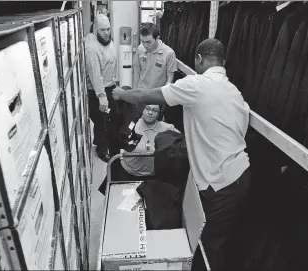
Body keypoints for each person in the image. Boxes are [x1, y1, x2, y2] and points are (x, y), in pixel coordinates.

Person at [112, 39, 252, 271]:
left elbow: (150, 96)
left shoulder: (196, 84)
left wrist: (121, 94)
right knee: (218, 242)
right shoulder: (235, 93)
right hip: (239, 177)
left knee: (207, 248)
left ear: (199, 59)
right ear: (223, 62)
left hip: (221, 183)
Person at [98, 104, 180, 195]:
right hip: (128, 172)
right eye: (147, 109)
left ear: (159, 113)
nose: (150, 112)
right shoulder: (131, 125)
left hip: (152, 176)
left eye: (154, 110)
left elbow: (180, 145)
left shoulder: (167, 128)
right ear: (142, 109)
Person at [85, 14, 119, 162]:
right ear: (95, 30)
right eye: (103, 30)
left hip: (110, 86)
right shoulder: (92, 49)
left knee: (111, 119)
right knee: (102, 122)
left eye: (108, 29)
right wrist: (102, 96)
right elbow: (95, 74)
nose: (106, 33)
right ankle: (101, 150)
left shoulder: (107, 41)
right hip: (98, 92)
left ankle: (106, 144)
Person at [133, 22, 177, 90]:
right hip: (141, 92)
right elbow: (136, 72)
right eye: (142, 41)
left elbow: (170, 78)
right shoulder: (140, 49)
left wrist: (162, 95)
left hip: (157, 95)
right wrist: (134, 92)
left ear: (157, 38)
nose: (145, 45)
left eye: (148, 42)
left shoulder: (169, 53)